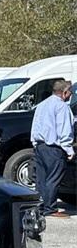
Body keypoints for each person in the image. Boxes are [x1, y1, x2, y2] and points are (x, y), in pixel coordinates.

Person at [30, 79, 75, 218]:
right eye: (70, 92)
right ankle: (51, 208)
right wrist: (69, 149)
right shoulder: (62, 107)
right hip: (54, 148)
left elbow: (36, 126)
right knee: (53, 178)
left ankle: (40, 206)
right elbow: (64, 129)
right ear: (65, 92)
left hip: (40, 146)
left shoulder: (42, 105)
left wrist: (35, 143)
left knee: (41, 179)